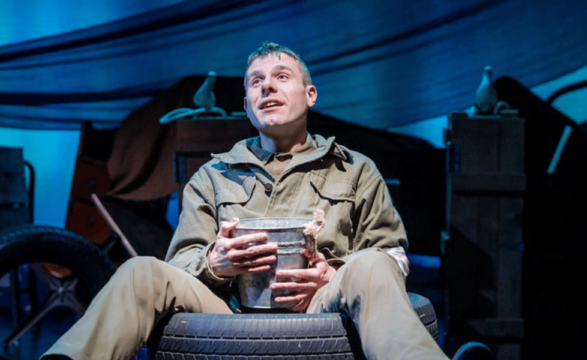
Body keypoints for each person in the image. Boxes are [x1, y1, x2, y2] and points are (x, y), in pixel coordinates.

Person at [41, 42, 449, 360]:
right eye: (255, 82)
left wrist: (333, 273)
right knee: (140, 271)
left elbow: (393, 258)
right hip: (230, 308)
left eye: (281, 77)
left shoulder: (356, 170)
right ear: (247, 107)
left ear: (310, 95)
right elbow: (180, 264)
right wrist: (214, 264)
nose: (266, 86)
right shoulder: (213, 177)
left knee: (374, 263)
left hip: (322, 306)